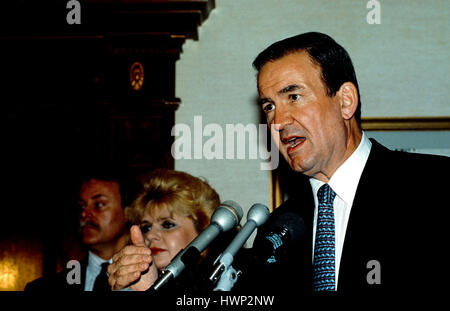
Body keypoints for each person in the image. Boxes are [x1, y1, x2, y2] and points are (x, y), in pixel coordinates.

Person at [244, 32, 449, 296]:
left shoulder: (436, 185)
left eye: (293, 97)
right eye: (269, 106)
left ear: (345, 101)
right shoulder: (277, 232)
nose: (278, 121)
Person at [107, 168, 226, 291]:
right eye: (146, 227)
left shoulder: (228, 281)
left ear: (204, 231)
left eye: (168, 225)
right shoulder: (133, 283)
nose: (150, 235)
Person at [25, 164, 134, 292]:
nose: (84, 214)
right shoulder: (44, 288)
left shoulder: (150, 281)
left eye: (98, 204)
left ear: (127, 213)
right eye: (82, 206)